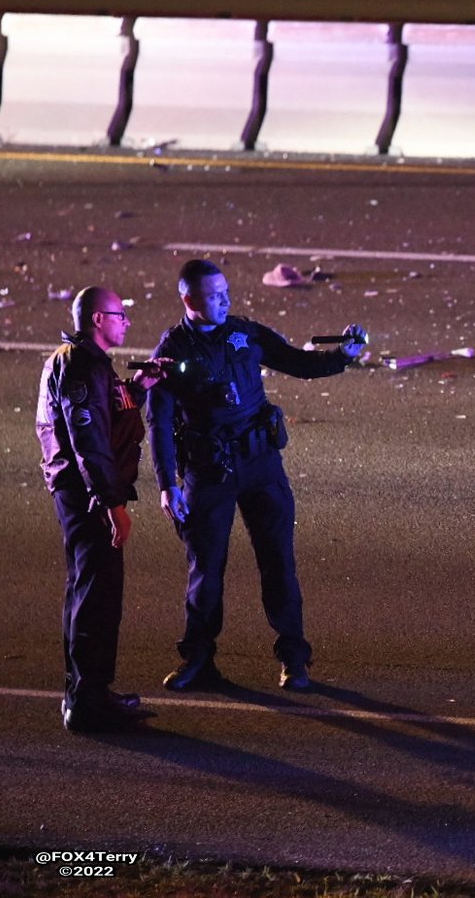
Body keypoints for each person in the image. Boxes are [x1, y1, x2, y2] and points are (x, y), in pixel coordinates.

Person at [147, 259, 367, 692]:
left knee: (279, 563)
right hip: (208, 472)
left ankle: (294, 658)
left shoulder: (244, 333)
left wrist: (343, 356)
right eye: (214, 294)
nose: (225, 300)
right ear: (189, 299)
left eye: (226, 291)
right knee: (206, 571)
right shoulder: (171, 352)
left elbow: (297, 362)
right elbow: (158, 421)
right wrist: (167, 485)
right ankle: (199, 660)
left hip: (260, 463)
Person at [37, 287, 168, 732]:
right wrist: (111, 503)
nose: (126, 321)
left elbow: (105, 413)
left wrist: (138, 388)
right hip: (88, 494)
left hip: (85, 492)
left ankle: (85, 691)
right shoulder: (80, 364)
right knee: (97, 594)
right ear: (97, 319)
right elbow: (87, 436)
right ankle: (88, 701)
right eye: (120, 313)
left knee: (87, 588)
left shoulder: (88, 364)